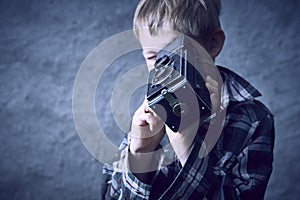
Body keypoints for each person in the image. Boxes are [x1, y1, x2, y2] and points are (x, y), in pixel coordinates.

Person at [101, 0, 275, 199]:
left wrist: (187, 146)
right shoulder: (148, 113)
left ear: (213, 44)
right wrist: (141, 154)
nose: (164, 70)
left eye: (174, 56)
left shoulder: (254, 119)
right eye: (152, 57)